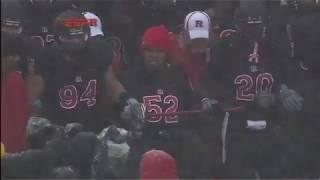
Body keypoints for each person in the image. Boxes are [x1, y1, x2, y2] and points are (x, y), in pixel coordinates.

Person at [208, 0, 304, 178]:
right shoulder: (226, 47)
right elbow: (213, 83)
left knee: (280, 164)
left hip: (270, 118)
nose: (254, 34)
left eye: (257, 28)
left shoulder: (273, 46)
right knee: (235, 170)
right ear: (239, 24)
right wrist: (249, 99)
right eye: (250, 28)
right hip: (236, 118)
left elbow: (286, 76)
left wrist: (282, 92)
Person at [119, 25, 217, 178]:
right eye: (149, 50)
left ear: (166, 53)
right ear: (142, 51)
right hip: (143, 140)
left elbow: (192, 106)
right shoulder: (129, 78)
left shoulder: (177, 77)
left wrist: (206, 107)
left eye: (159, 51)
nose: (154, 55)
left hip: (176, 141)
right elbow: (117, 113)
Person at [29, 9, 143, 133]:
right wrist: (36, 119)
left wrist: (127, 101)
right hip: (59, 130)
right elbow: (32, 97)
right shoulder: (47, 58)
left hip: (94, 126)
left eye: (79, 36)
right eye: (70, 37)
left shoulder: (99, 52)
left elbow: (111, 83)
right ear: (58, 37)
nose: (76, 41)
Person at [1, 36, 30, 153]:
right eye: (12, 56)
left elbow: (23, 115)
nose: (17, 59)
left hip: (17, 151)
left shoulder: (16, 80)